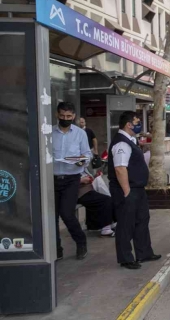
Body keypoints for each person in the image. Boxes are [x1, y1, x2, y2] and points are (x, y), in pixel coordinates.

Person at [108, 111, 161, 270]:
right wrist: (127, 192)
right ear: (128, 124)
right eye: (137, 122)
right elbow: (120, 169)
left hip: (137, 189)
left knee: (142, 220)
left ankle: (144, 252)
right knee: (126, 224)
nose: (140, 125)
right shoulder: (121, 143)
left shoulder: (131, 140)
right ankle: (126, 258)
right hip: (127, 190)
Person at [52, 102, 92, 260]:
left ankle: (81, 241)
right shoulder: (48, 132)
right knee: (51, 216)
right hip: (51, 179)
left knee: (67, 213)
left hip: (71, 179)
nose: (65, 119)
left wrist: (82, 161)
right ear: (57, 115)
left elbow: (87, 154)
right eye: (62, 116)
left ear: (74, 116)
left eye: (68, 116)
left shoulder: (80, 134)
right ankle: (56, 248)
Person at [78, 173, 115, 237]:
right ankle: (106, 227)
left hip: (87, 188)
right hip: (78, 192)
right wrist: (81, 180)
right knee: (105, 200)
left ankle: (109, 223)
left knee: (108, 198)